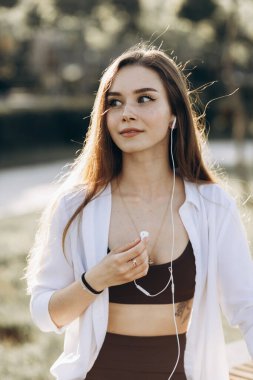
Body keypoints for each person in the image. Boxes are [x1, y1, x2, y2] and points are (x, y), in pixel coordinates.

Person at [26, 44, 253, 380]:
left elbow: (247, 307)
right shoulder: (76, 205)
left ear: (174, 112)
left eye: (144, 98)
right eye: (114, 102)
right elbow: (45, 315)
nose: (126, 113)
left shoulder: (212, 205)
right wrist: (96, 280)